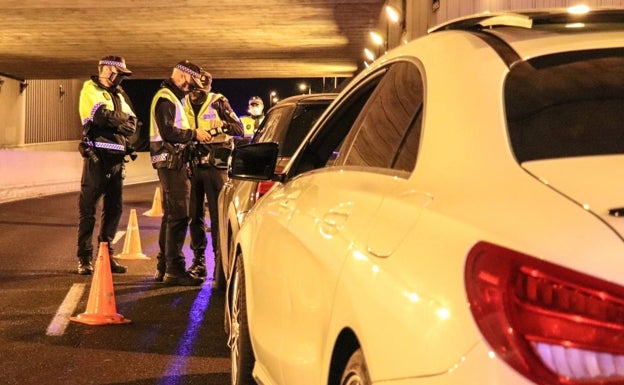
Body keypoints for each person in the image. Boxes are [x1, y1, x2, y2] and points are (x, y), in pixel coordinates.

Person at [149, 60, 212, 286]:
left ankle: (164, 266)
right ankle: (175, 270)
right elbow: (167, 131)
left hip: (169, 160)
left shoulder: (173, 97)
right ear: (184, 76)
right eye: (191, 83)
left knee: (170, 216)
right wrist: (194, 134)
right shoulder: (167, 97)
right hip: (171, 161)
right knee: (179, 216)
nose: (192, 88)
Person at [76, 55, 138, 275]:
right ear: (109, 70)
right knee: (88, 210)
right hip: (97, 159)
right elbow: (100, 117)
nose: (121, 78)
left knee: (114, 210)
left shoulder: (120, 95)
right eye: (119, 73)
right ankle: (84, 258)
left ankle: (105, 256)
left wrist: (117, 119)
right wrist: (119, 120)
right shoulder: (90, 89)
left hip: (117, 160)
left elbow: (132, 124)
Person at [185, 70, 244, 282]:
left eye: (200, 90)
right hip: (194, 164)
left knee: (218, 216)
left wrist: (222, 125)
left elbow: (239, 128)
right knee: (195, 215)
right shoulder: (183, 103)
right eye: (193, 90)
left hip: (215, 166)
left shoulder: (218, 102)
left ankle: (220, 263)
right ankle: (199, 261)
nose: (195, 94)